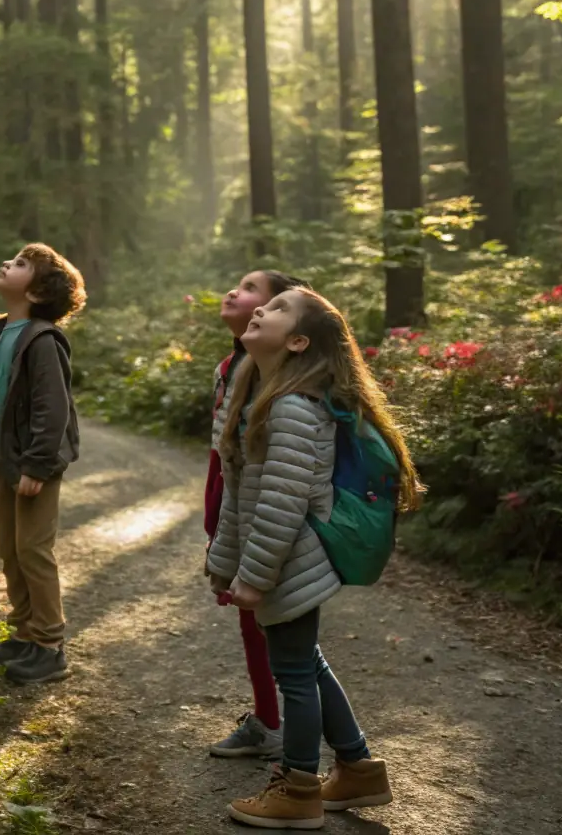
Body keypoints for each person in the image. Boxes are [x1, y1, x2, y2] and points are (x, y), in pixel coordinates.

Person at [208, 288, 420, 829]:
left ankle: (298, 788)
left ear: (299, 342)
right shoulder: (257, 393)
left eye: (277, 310)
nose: (260, 309)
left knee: (296, 674)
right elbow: (240, 493)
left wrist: (252, 577)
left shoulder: (295, 407)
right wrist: (225, 558)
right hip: (280, 559)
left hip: (290, 559)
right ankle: (357, 768)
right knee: (306, 663)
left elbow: (281, 504)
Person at [0, 243, 86, 684]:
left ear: (35, 293)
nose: (5, 263)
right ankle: (24, 634)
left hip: (34, 466)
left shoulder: (42, 340)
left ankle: (50, 647)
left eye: (18, 265)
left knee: (34, 550)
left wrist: (37, 466)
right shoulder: (0, 331)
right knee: (10, 550)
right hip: (4, 462)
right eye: (11, 258)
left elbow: (51, 409)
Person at [207, 271, 308, 759]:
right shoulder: (233, 365)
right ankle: (269, 720)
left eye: (252, 291)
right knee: (252, 623)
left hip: (262, 512)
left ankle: (284, 732)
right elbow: (221, 456)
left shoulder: (274, 376)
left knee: (276, 628)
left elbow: (271, 467)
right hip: (231, 505)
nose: (235, 293)